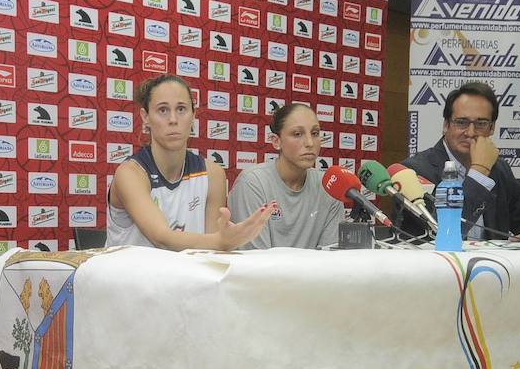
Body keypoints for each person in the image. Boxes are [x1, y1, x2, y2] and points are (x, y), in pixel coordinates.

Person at [106, 74, 272, 249]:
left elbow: (209, 253)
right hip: (128, 276)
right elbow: (162, 238)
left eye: (181, 109)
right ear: (145, 117)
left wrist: (221, 241)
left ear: (193, 115)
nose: (173, 119)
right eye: (163, 110)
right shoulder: (130, 173)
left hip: (183, 276)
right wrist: (223, 241)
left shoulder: (212, 174)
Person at [397, 81, 520, 242]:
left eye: (481, 124)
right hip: (436, 265)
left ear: (492, 128)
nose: (470, 132)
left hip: (490, 265)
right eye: (461, 122)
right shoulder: (414, 171)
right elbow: (441, 233)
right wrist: (479, 172)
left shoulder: (498, 168)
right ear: (446, 125)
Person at [227, 102, 343, 249]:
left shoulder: (330, 186)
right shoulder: (252, 183)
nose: (309, 143)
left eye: (315, 133)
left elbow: (331, 258)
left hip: (315, 272)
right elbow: (255, 262)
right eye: (297, 134)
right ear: (276, 141)